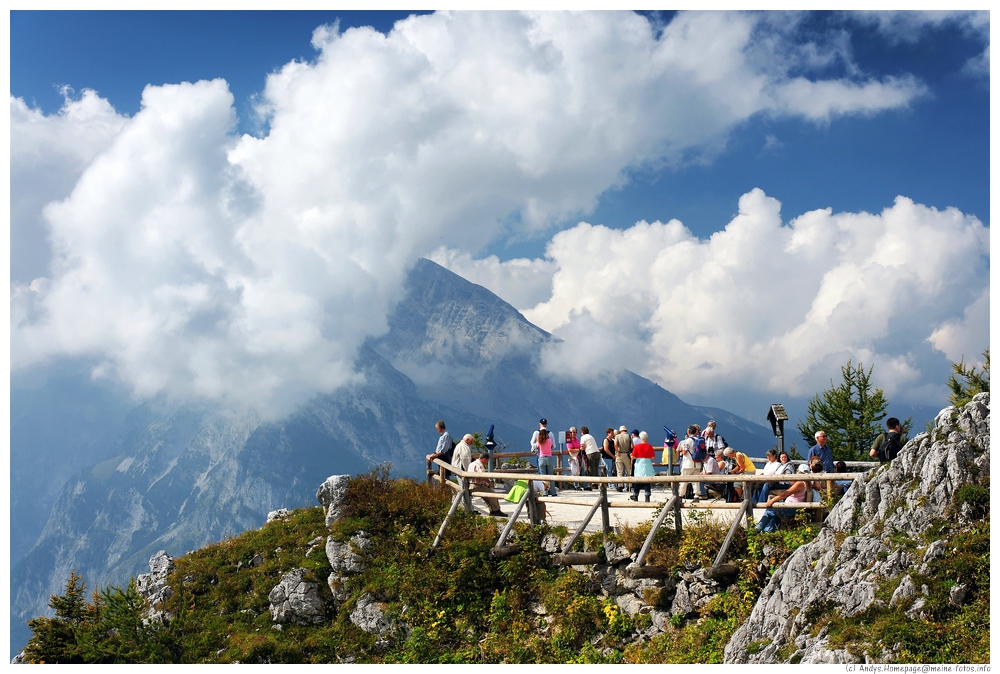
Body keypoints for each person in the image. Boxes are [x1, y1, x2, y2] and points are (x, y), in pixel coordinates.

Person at [755, 465, 812, 533]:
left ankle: (757, 529)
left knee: (770, 511)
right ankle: (769, 530)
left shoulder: (800, 483)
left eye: (797, 471)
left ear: (800, 473)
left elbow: (786, 493)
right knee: (776, 512)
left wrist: (773, 500)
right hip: (794, 508)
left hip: (791, 508)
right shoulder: (807, 483)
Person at [469, 451, 503, 515]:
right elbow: (483, 476)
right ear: (484, 459)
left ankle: (493, 510)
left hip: (471, 485)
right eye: (487, 461)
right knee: (492, 493)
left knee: (487, 494)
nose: (487, 463)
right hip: (476, 486)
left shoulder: (472, 464)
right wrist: (489, 482)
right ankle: (496, 510)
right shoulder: (480, 465)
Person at [677, 425, 703, 502]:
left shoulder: (687, 441)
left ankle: (681, 495)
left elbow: (684, 452)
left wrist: (681, 450)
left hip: (688, 463)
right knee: (696, 481)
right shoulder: (699, 440)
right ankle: (696, 496)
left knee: (683, 480)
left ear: (688, 432)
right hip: (697, 463)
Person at [630, 431, 656, 502]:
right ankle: (647, 496)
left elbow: (633, 456)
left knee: (638, 480)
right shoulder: (649, 446)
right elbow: (653, 458)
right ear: (646, 438)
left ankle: (635, 495)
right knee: (647, 480)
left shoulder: (637, 446)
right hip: (647, 463)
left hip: (639, 463)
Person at [535, 428, 558, 496]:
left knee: (543, 476)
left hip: (541, 458)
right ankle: (553, 492)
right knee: (550, 476)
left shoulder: (539, 441)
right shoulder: (550, 440)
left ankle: (545, 493)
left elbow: (536, 447)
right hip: (549, 458)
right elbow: (552, 446)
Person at [580, 426, 601, 491]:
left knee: (591, 468)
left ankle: (593, 483)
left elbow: (582, 446)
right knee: (596, 468)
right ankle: (597, 483)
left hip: (590, 453)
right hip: (597, 452)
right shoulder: (591, 436)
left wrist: (579, 449)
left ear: (582, 432)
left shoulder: (583, 437)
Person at [614, 425, 633, 492]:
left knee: (619, 471)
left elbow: (615, 444)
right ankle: (629, 486)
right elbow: (632, 446)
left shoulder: (617, 436)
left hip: (619, 454)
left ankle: (620, 486)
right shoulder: (629, 436)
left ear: (620, 431)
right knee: (628, 471)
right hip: (627, 454)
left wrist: (617, 451)